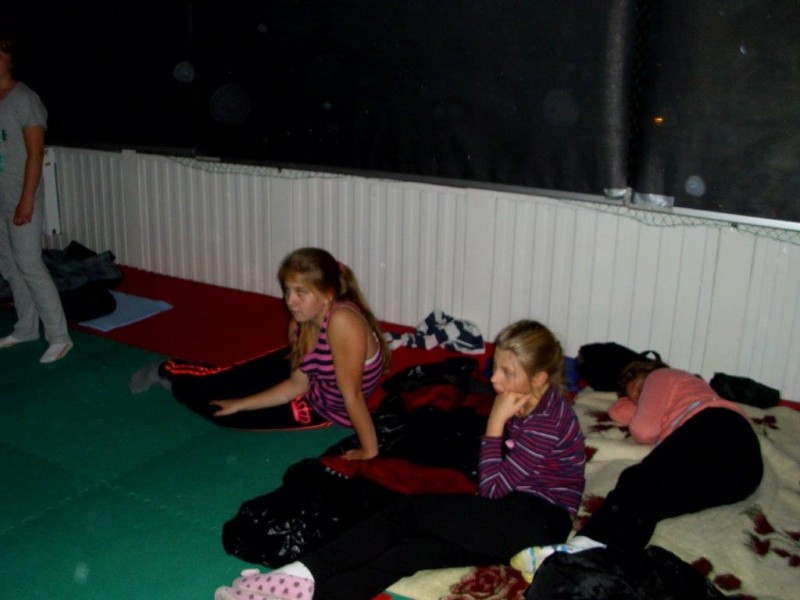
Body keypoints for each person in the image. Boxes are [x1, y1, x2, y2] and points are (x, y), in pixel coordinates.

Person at [214, 319, 586, 600]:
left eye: (508, 373)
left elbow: (491, 490)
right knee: (406, 553)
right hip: (518, 521)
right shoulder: (527, 400)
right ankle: (301, 595)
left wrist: (493, 425)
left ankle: (297, 574)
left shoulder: (546, 422)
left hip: (534, 521)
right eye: (496, 367)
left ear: (539, 378)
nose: (495, 381)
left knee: (407, 513)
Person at [512, 359, 764, 582]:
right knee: (653, 501)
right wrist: (634, 399)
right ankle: (606, 563)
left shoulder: (662, 375)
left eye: (644, 390)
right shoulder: (682, 393)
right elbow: (623, 414)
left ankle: (584, 545)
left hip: (717, 429)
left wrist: (644, 390)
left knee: (639, 480)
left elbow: (643, 430)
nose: (645, 397)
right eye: (638, 397)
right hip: (743, 473)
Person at [130, 247, 391, 459]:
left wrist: (369, 450)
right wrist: (243, 400)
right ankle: (167, 368)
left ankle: (176, 386)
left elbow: (351, 394)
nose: (290, 301)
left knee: (223, 414)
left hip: (321, 405)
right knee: (227, 379)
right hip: (314, 378)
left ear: (328, 296)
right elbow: (296, 384)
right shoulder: (299, 324)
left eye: (300, 292)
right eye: (287, 290)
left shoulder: (343, 321)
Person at [0, 33, 73, 363]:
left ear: (9, 60)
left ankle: (59, 336)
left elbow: (35, 153)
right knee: (9, 265)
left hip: (21, 195)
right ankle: (26, 327)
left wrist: (27, 200)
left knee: (29, 263)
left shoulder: (25, 99)